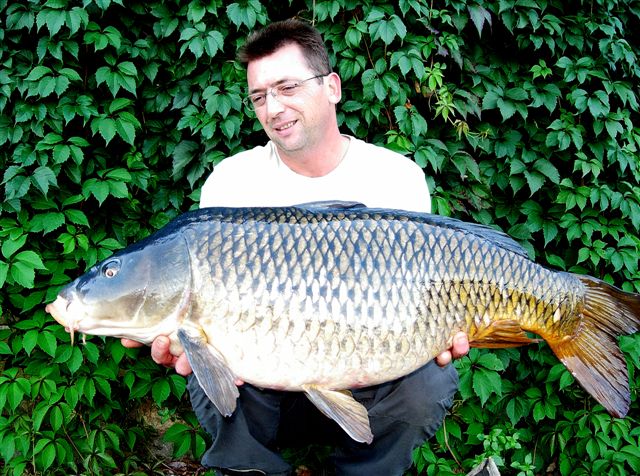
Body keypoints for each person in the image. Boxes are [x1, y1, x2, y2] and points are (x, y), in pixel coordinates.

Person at [123, 19, 469, 475]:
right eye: (259, 96)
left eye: (287, 87)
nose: (273, 108)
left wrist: (440, 329)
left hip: (371, 376)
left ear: (332, 87)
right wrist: (186, 340)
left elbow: (425, 295)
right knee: (208, 376)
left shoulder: (395, 178)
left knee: (432, 376)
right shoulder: (232, 182)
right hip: (264, 389)